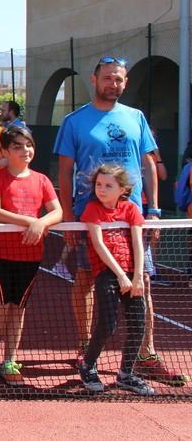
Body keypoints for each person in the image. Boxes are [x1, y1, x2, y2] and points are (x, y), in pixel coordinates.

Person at [53, 55, 186, 386]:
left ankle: (146, 354)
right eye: (108, 78)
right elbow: (65, 172)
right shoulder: (74, 121)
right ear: (95, 79)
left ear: (125, 83)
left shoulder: (136, 117)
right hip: (90, 218)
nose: (114, 83)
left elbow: (149, 164)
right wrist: (69, 218)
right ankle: (87, 352)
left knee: (143, 283)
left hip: (132, 219)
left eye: (119, 79)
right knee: (85, 280)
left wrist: (153, 209)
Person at [0, 125, 62, 385]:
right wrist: (30, 221)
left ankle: (10, 360)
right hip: (0, 256)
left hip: (30, 257)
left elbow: (57, 212)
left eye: (28, 145)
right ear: (5, 151)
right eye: (17, 146)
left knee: (18, 309)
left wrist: (40, 223)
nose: (25, 150)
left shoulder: (42, 180)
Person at [77, 164, 155, 396]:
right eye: (99, 184)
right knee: (108, 324)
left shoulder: (130, 209)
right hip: (108, 274)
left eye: (108, 185)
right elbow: (99, 245)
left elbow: (138, 243)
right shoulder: (92, 209)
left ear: (122, 189)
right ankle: (88, 365)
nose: (102, 189)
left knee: (138, 325)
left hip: (132, 274)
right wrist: (120, 276)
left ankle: (126, 374)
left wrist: (138, 276)